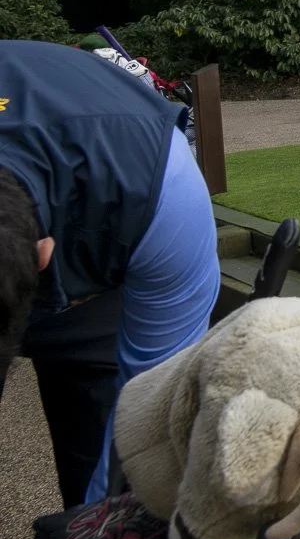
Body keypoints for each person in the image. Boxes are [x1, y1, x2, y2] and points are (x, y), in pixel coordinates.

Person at [0, 40, 221, 509]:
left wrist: (93, 538)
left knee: (112, 487)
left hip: (101, 276)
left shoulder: (163, 187)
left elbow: (152, 420)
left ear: (44, 255)